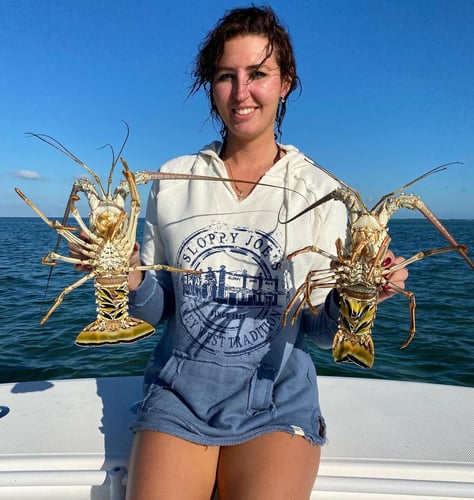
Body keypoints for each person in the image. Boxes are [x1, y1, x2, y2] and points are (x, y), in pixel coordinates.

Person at [122, 6, 408, 500]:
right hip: (178, 397)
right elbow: (158, 311)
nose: (241, 92)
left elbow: (318, 331)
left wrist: (358, 298)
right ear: (210, 85)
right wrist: (127, 275)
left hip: (275, 401)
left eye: (258, 74)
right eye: (225, 76)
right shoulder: (168, 181)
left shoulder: (324, 191)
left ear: (286, 82)